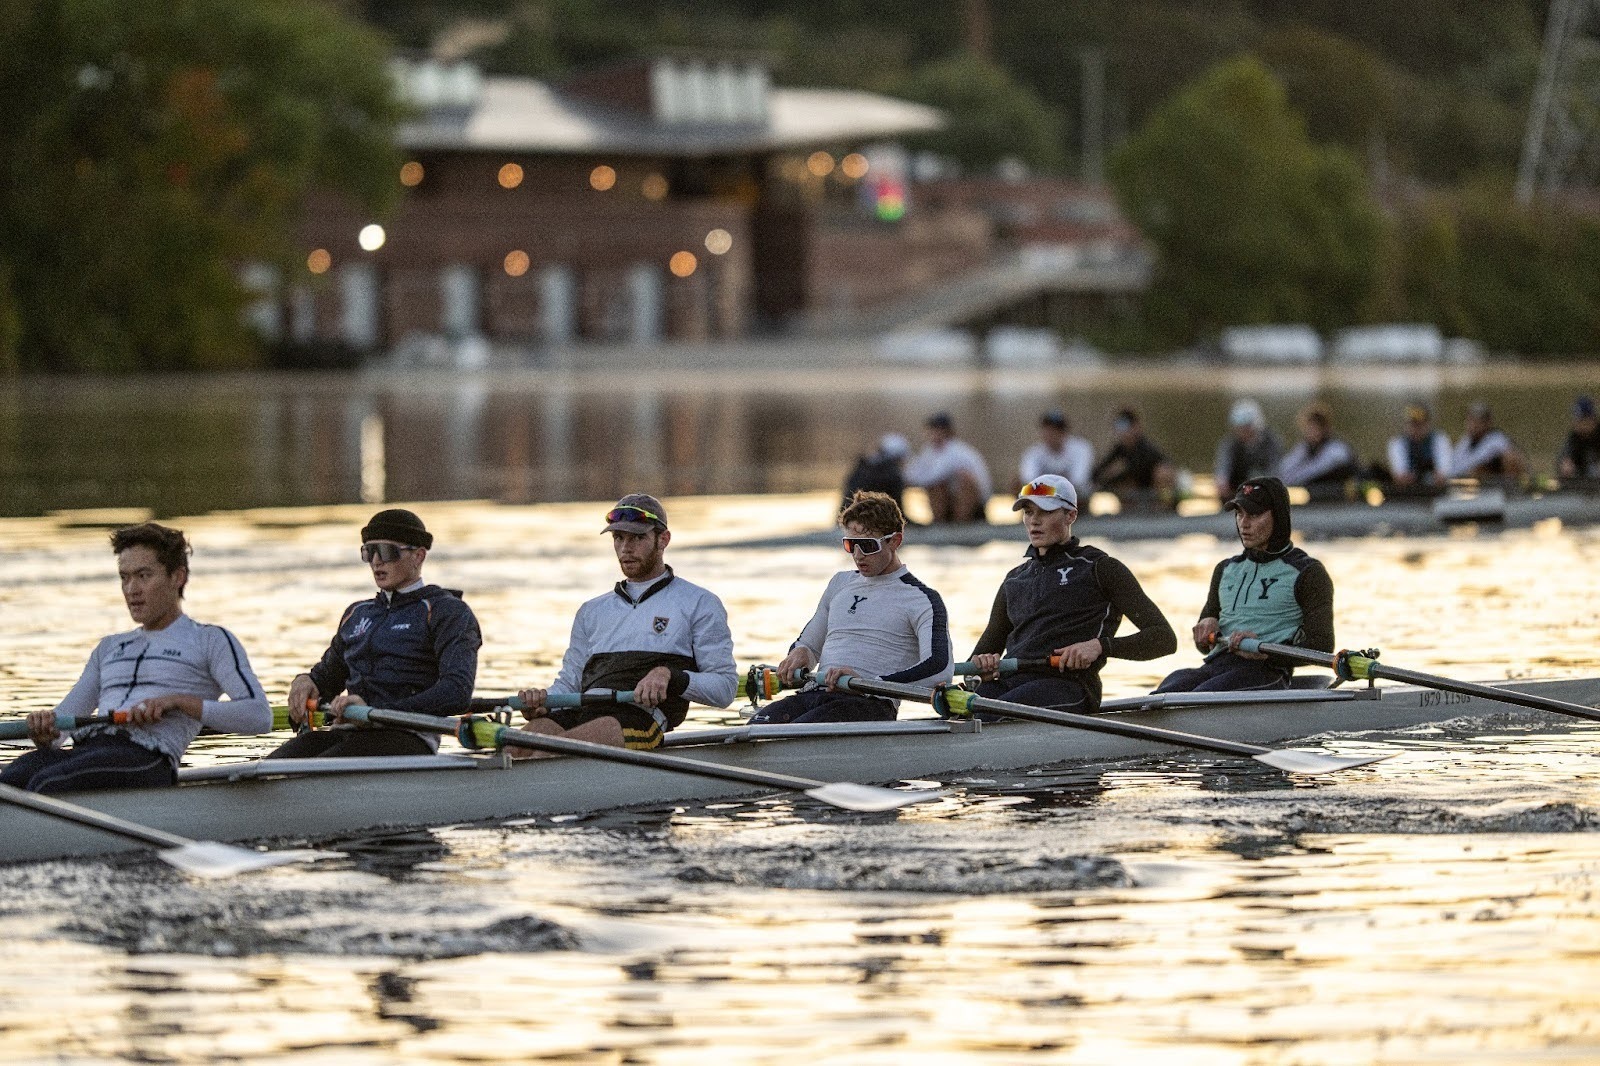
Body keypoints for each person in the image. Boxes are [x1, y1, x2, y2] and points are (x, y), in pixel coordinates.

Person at [1, 523, 270, 794]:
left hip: (145, 759)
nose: (132, 589)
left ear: (178, 577)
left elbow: (258, 716)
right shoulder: (109, 648)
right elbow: (61, 730)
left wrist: (177, 702)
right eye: (125, 577)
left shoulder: (210, 641)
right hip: (88, 751)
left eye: (143, 576)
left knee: (46, 785)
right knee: (9, 782)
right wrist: (44, 731)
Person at [514, 494, 737, 750]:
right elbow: (568, 684)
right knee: (515, 748)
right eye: (618, 538)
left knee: (554, 750)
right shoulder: (592, 611)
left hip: (640, 716)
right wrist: (541, 701)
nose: (625, 548)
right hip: (584, 711)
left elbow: (724, 689)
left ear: (663, 539)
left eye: (637, 538)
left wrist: (669, 676)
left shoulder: (699, 602)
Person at [271, 509, 481, 758]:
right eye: (368, 552)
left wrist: (375, 712)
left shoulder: (447, 612)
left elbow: (456, 692)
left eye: (387, 551)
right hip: (351, 729)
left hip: (408, 736)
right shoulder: (357, 614)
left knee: (308, 770)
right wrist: (306, 682)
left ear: (418, 556)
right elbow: (326, 679)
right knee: (273, 767)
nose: (376, 561)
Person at [967, 475, 1176, 715]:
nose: (1034, 521)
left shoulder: (1100, 568)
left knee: (986, 712)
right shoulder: (1015, 579)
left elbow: (1164, 639)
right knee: (956, 705)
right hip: (1011, 685)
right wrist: (981, 667)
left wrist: (1100, 646)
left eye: (1044, 513)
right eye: (1028, 512)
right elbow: (978, 659)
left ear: (1071, 516)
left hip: (1069, 687)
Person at [749, 491, 952, 724]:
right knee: (757, 725)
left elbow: (940, 669)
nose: (858, 555)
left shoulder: (922, 599)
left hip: (869, 703)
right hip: (815, 693)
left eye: (867, 545)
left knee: (790, 734)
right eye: (850, 545)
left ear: (895, 540)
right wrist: (801, 652)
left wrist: (872, 682)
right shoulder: (839, 583)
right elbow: (809, 645)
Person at [1155, 476, 1334, 692]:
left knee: (1203, 695)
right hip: (1217, 667)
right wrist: (1204, 630)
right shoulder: (1225, 569)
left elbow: (1322, 647)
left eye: (1255, 514)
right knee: (1171, 684)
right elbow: (1205, 645)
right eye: (1239, 513)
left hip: (1265, 672)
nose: (1243, 523)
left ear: (1278, 516)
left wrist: (1266, 651)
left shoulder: (1308, 573)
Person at [904, 412, 993, 523]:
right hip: (948, 501)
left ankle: (961, 522)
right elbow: (911, 474)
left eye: (938, 429)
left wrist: (920, 480)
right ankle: (938, 522)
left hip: (974, 503)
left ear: (948, 431)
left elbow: (937, 475)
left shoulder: (957, 450)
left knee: (964, 478)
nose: (934, 433)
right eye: (932, 429)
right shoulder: (928, 451)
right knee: (936, 487)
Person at [1091, 408, 1176, 509]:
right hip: (1137, 486)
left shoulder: (1146, 448)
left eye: (1125, 427)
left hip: (1151, 484)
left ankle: (1163, 507)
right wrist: (1099, 481)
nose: (1122, 433)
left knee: (1163, 472)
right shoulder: (1120, 449)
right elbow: (1100, 468)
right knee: (1122, 484)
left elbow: (1133, 469)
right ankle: (1129, 510)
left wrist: (1108, 481)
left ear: (1136, 427)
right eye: (1118, 427)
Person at [1277, 402, 1358, 501]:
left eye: (1314, 428)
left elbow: (1315, 470)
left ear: (1324, 428)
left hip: (1338, 499)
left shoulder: (1337, 450)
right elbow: (1285, 469)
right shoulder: (1304, 448)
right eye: (1308, 428)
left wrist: (1294, 479)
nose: (1310, 432)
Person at [1017, 408, 1094, 504]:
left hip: (1075, 501)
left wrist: (1046, 485)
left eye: (1056, 430)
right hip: (1042, 502)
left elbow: (1079, 482)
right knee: (1017, 485)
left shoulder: (1081, 448)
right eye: (1047, 430)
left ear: (1064, 432)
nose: (1051, 434)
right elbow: (1028, 482)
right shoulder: (1033, 453)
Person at [1213, 398, 1284, 500]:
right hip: (1236, 493)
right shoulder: (1229, 444)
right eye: (1239, 428)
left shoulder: (1272, 442)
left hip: (1264, 492)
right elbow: (1223, 467)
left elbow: (1276, 470)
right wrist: (1222, 481)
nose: (1243, 432)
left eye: (1247, 427)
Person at [1448, 401, 1525, 481]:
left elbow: (1510, 459)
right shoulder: (1465, 441)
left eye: (1478, 421)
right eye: (1471, 420)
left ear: (1488, 423)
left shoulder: (1497, 439)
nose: (1473, 425)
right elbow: (1454, 466)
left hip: (1488, 485)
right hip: (1461, 483)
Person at [1385, 403, 1453, 493]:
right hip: (1407, 493)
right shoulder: (1397, 444)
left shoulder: (1440, 440)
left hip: (1436, 493)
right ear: (1406, 425)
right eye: (1412, 424)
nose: (1416, 428)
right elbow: (1401, 477)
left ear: (1428, 424)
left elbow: (1442, 475)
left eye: (1420, 424)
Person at [841, 432, 909, 512]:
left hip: (848, 516)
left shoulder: (861, 467)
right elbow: (898, 510)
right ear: (898, 457)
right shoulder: (892, 475)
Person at [1559, 395, 1600, 480]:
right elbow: (1564, 460)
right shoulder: (1574, 438)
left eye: (1583, 421)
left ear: (1592, 420)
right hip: (1583, 484)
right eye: (1577, 421)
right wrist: (1565, 467)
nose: (1579, 425)